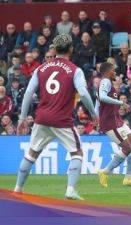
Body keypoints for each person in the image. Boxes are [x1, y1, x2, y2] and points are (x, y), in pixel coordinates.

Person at [14, 34, 98, 200]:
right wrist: (94, 114)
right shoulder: (75, 70)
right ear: (71, 49)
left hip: (42, 119)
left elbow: (29, 93)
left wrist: (22, 118)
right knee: (77, 153)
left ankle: (17, 189)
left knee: (31, 153)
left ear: (54, 48)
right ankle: (70, 190)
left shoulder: (41, 68)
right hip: (62, 120)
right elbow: (84, 94)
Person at [96, 62, 131, 188]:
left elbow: (98, 102)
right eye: (113, 70)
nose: (115, 72)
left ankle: (128, 178)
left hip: (117, 120)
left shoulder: (106, 83)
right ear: (107, 71)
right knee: (127, 148)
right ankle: (104, 172)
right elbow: (102, 97)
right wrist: (121, 103)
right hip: (110, 122)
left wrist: (95, 116)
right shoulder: (105, 81)